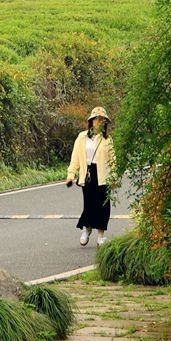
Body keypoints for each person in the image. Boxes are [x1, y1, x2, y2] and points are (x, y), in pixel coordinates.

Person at [65, 106, 115, 247]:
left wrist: (114, 177)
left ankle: (101, 235)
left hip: (103, 175)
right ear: (91, 121)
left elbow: (113, 160)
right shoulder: (82, 137)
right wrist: (71, 174)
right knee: (89, 204)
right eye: (97, 119)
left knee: (103, 205)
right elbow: (75, 157)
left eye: (102, 120)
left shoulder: (107, 140)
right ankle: (87, 229)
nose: (100, 122)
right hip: (87, 174)